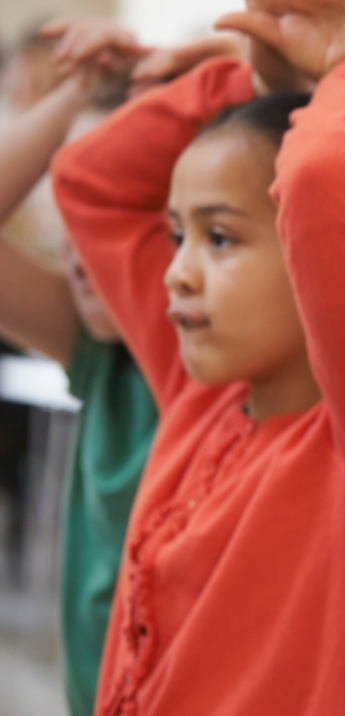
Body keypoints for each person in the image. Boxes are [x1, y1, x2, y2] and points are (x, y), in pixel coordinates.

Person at [48, 4, 345, 712]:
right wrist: (246, 83)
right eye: (177, 236)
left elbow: (320, 185)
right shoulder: (202, 395)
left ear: (319, 261)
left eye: (220, 238)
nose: (178, 273)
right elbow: (88, 183)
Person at [0, 19, 155, 716]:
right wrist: (76, 96)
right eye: (73, 211)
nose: (81, 244)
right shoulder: (101, 355)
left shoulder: (230, 374)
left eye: (119, 210)